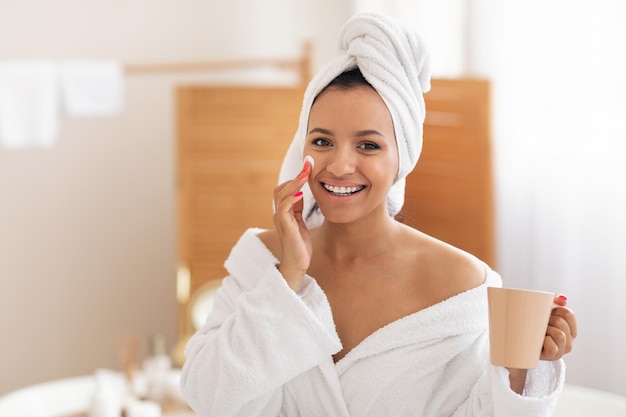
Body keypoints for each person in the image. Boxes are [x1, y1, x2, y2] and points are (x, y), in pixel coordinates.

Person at [180, 12, 577, 417]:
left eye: (368, 146)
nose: (339, 165)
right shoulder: (264, 262)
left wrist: (525, 369)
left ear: (400, 157)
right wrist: (289, 276)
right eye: (322, 141)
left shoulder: (457, 284)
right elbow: (205, 396)